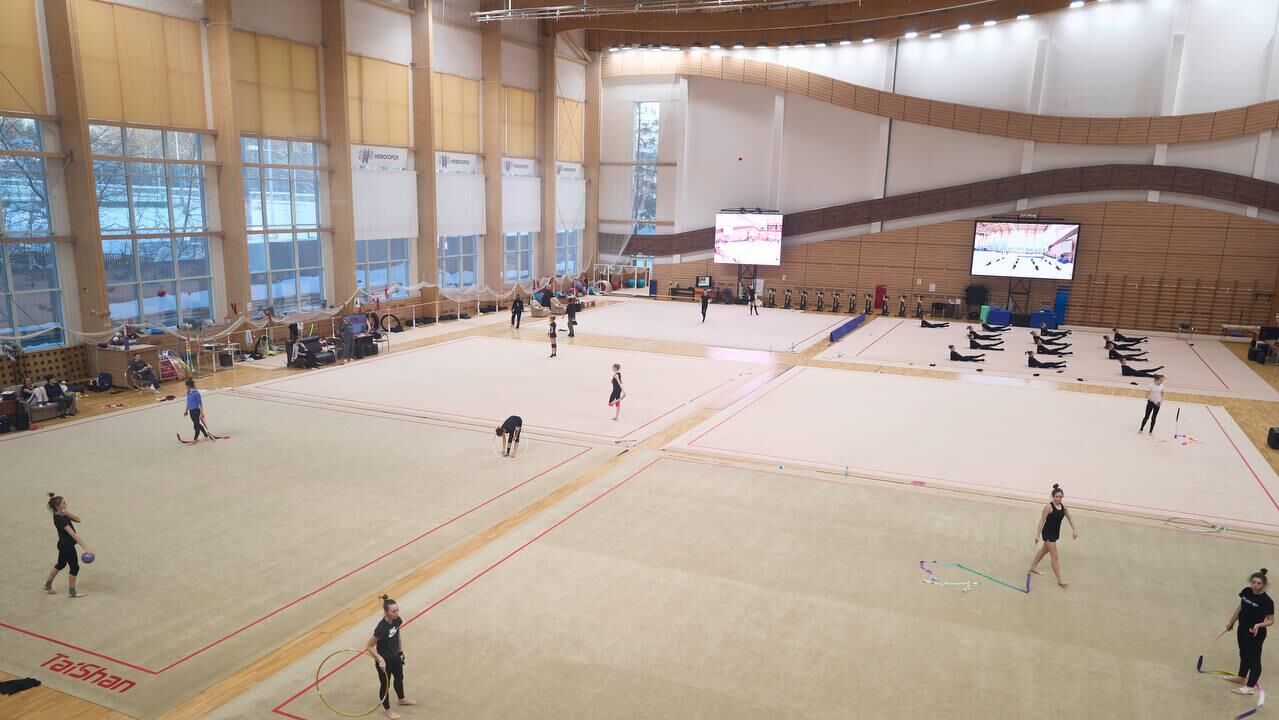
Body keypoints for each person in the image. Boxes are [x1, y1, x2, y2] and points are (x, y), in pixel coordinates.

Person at [1225, 569, 1275, 696]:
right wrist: (1231, 622)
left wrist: (1259, 624)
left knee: (1254, 660)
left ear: (1264, 585)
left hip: (1255, 633)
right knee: (1243, 654)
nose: (1255, 585)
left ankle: (1249, 687)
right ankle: (1241, 677)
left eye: (1259, 583)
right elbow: (1240, 607)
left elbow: (1271, 620)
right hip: (1242, 629)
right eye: (1253, 582)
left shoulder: (1267, 601)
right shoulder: (1246, 591)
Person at [366, 594, 416, 718]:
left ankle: (401, 699)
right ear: (386, 612)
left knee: (399, 678)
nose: (397, 613)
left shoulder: (397, 620)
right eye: (393, 611)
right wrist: (380, 659)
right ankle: (388, 710)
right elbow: (369, 646)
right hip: (384, 661)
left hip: (395, 657)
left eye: (397, 610)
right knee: (385, 685)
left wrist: (400, 652)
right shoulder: (381, 628)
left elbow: (397, 635)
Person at [1028, 484, 1077, 587]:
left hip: (1055, 533)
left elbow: (1070, 518)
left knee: (1043, 551)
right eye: (1056, 497)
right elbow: (1042, 521)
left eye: (1060, 497)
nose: (1058, 499)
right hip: (1048, 533)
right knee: (1055, 556)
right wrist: (1037, 535)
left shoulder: (1064, 508)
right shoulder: (1048, 507)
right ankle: (1060, 580)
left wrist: (1074, 530)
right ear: (1053, 497)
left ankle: (1033, 567)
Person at [43, 493, 91, 598]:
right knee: (74, 568)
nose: (66, 504)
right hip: (67, 547)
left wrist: (67, 513)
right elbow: (73, 534)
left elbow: (78, 519)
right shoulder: (60, 519)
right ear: (58, 506)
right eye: (64, 503)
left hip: (62, 544)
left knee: (61, 564)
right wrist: (85, 548)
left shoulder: (62, 514)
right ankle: (72, 592)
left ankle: (47, 584)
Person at [182, 378, 213, 443]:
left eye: (186, 386)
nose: (185, 387)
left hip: (196, 411)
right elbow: (188, 402)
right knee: (197, 424)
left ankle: (195, 438)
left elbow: (200, 403)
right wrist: (186, 411)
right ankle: (205, 435)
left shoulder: (196, 393)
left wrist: (202, 413)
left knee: (196, 426)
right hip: (191, 411)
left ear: (189, 386)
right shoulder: (188, 393)